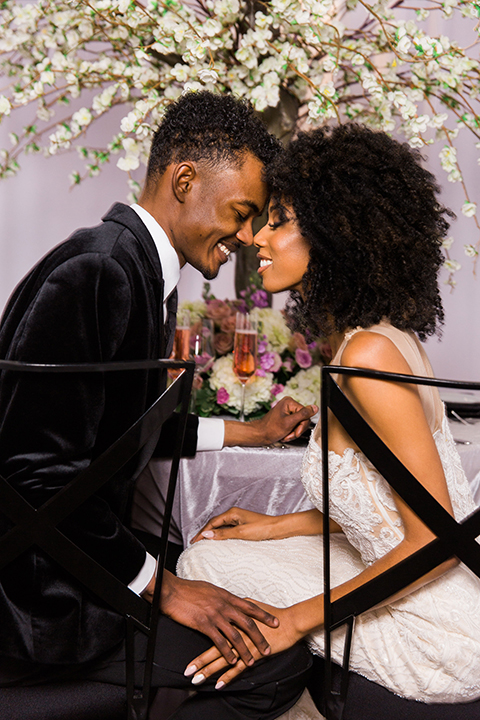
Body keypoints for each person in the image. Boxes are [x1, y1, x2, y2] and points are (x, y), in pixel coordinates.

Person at [0, 91, 315, 717]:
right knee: (273, 665)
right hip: (44, 594)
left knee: (246, 588)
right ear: (185, 178)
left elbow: (124, 427)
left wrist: (249, 434)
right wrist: (159, 586)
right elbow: (33, 475)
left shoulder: (141, 268)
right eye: (243, 211)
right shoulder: (97, 271)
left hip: (85, 552)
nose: (248, 236)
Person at [177, 123, 480, 714]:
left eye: (279, 219)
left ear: (337, 235)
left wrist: (293, 621)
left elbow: (435, 541)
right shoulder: (376, 340)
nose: (257, 237)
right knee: (222, 549)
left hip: (439, 635)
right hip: (417, 585)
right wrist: (274, 525)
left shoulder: (368, 357)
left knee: (201, 561)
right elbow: (384, 513)